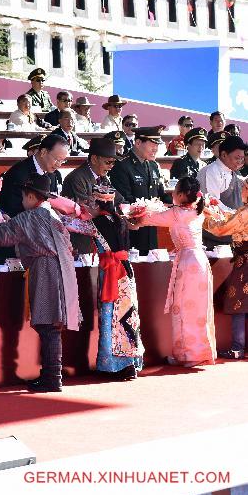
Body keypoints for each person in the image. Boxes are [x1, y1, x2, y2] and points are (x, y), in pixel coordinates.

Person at [0, 174, 82, 392]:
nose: (22, 201)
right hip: (61, 269)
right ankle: (51, 375)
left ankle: (52, 378)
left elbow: (2, 235)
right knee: (52, 326)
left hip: (46, 270)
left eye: (23, 196)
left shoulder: (31, 216)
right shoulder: (52, 214)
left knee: (48, 326)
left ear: (31, 196)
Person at [130, 177, 216, 367]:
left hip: (188, 264)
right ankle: (197, 353)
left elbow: (150, 219)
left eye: (175, 190)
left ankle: (187, 355)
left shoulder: (177, 213)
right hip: (199, 262)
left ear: (182, 195)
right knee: (198, 310)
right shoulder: (198, 210)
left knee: (184, 310)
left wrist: (132, 217)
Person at [77, 162, 145, 381]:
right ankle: (130, 363)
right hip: (127, 271)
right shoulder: (121, 221)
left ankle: (114, 365)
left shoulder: (94, 223)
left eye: (91, 202)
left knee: (111, 316)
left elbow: (70, 224)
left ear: (98, 203)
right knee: (128, 316)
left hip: (111, 272)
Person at [204, 180, 248, 360]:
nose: (243, 190)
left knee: (238, 303)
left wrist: (206, 213)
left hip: (245, 262)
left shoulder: (245, 213)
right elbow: (231, 217)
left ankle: (238, 347)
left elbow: (222, 228)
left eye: (245, 187)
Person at [109, 126, 168, 255]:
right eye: (152, 144)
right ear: (138, 142)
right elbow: (123, 200)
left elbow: (161, 195)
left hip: (150, 230)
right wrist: (149, 208)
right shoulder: (122, 165)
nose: (155, 148)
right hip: (131, 230)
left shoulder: (153, 166)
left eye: (157, 144)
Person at [60, 138, 120, 255]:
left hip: (97, 237)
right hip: (80, 241)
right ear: (94, 159)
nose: (111, 166)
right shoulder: (76, 178)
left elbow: (117, 198)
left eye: (113, 162)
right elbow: (87, 209)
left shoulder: (102, 176)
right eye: (108, 162)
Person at [0, 134, 68, 219]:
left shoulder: (52, 173)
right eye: (57, 159)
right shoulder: (18, 173)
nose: (59, 165)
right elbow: (12, 210)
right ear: (43, 152)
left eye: (62, 161)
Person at [197, 134, 247, 202]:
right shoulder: (213, 171)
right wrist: (234, 212)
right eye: (237, 158)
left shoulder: (232, 170)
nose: (240, 162)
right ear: (224, 155)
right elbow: (213, 203)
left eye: (242, 159)